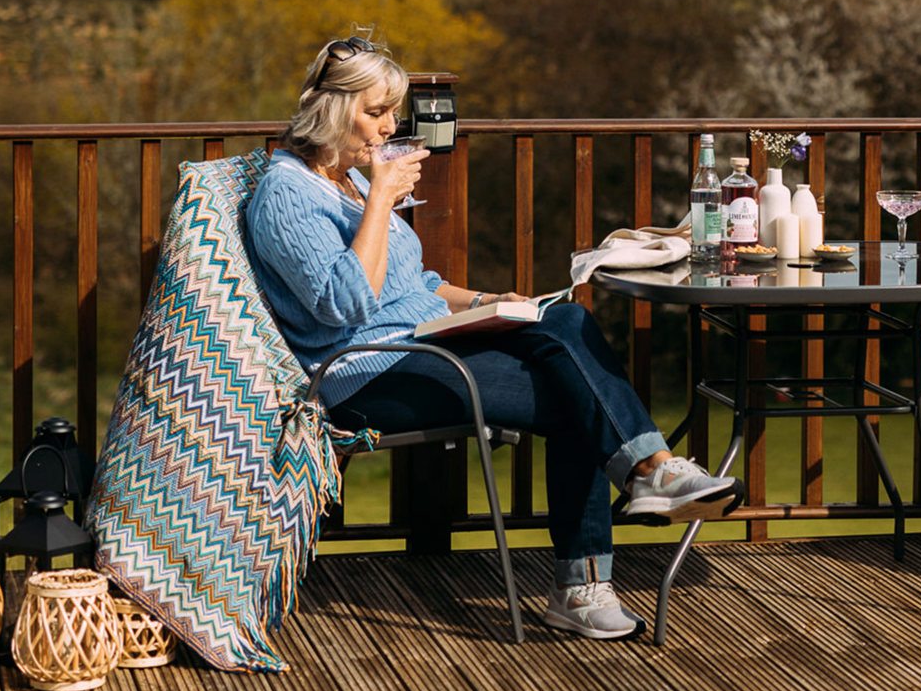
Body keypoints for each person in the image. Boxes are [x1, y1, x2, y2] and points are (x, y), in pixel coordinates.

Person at [245, 34, 745, 639]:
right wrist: (380, 198)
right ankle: (603, 552)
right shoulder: (287, 194)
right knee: (576, 396)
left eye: (393, 112)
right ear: (331, 110)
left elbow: (418, 283)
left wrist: (488, 302)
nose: (391, 127)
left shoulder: (348, 179)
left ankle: (647, 479)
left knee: (565, 320)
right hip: (366, 372)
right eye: (376, 112)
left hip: (424, 341)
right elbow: (346, 302)